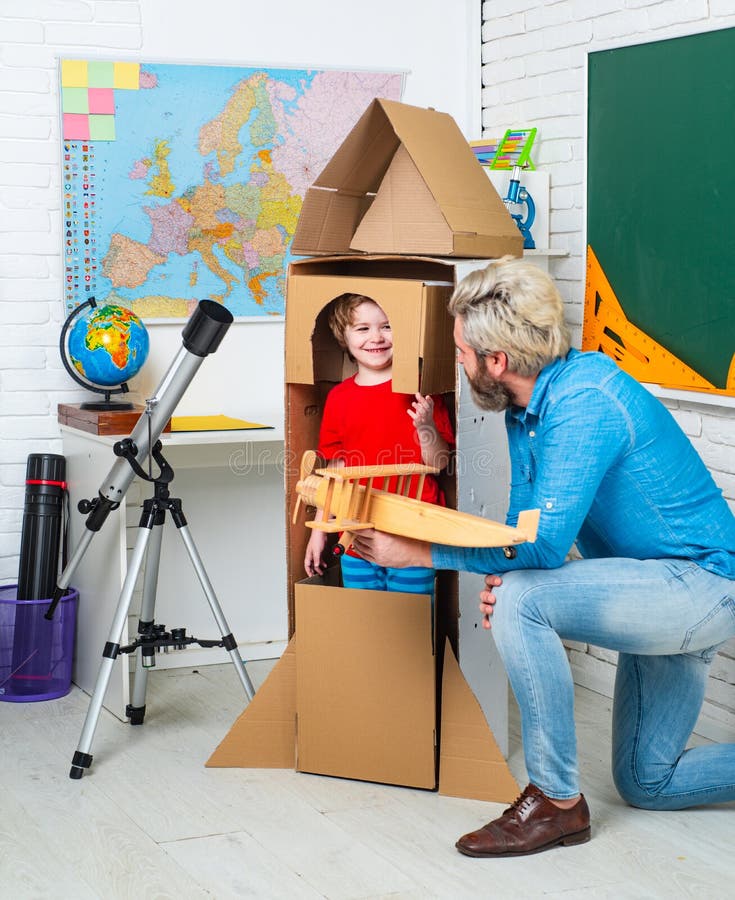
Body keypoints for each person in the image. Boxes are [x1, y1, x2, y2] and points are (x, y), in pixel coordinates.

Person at [351, 257, 735, 858]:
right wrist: (505, 573)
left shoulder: (584, 403)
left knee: (524, 596)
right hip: (650, 588)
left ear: (495, 362)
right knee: (647, 783)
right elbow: (526, 528)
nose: (459, 361)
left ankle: (555, 802)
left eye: (462, 351)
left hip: (698, 588)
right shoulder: (528, 408)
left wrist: (421, 550)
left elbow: (546, 547)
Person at [304, 292, 455, 595]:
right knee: (367, 619)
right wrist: (320, 530)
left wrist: (425, 426)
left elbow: (439, 463)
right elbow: (336, 471)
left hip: (412, 533)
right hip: (358, 532)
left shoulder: (421, 386)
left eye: (387, 326)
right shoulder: (339, 398)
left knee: (408, 619)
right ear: (343, 338)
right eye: (362, 328)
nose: (376, 337)